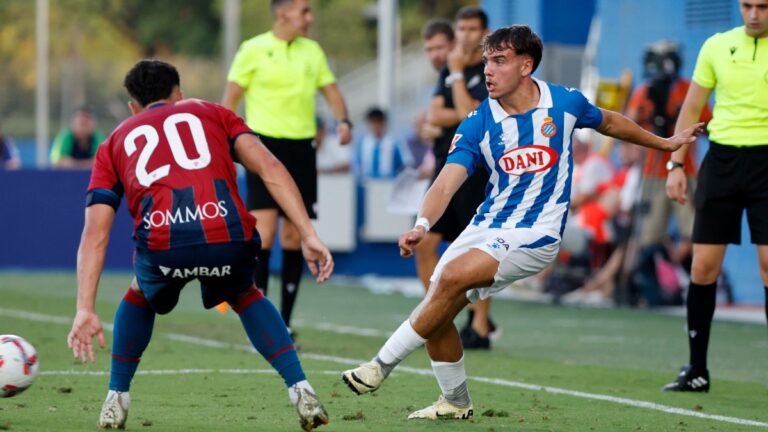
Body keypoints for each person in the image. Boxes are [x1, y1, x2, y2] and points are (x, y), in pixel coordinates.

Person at [341, 25, 702, 420]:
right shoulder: (479, 121)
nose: (489, 71)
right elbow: (446, 181)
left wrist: (664, 143)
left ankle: (378, 366)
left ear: (526, 65)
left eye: (499, 61)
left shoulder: (564, 103)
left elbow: (611, 122)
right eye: (486, 62)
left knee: (449, 280)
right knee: (438, 306)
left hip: (537, 233)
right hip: (488, 225)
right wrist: (423, 224)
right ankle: (455, 401)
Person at [66, 60, 333, 431]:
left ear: (133, 106)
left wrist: (85, 308)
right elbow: (270, 167)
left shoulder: (114, 141)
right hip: (226, 235)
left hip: (163, 245)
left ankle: (116, 398)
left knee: (141, 293)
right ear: (179, 94)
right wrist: (308, 233)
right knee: (244, 292)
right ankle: (300, 387)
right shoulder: (216, 114)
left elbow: (95, 233)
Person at [222, 0, 352, 336]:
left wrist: (343, 120)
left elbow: (332, 91)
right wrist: (222, 137)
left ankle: (285, 323)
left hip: (301, 148)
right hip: (261, 146)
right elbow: (231, 98)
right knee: (263, 231)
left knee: (296, 233)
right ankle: (260, 321)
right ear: (283, 13)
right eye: (303, 11)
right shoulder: (252, 49)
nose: (309, 17)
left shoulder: (312, 51)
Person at [663, 0, 768, 392]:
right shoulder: (717, 45)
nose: (754, 13)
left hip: (765, 164)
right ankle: (696, 370)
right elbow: (692, 107)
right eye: (747, 5)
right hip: (721, 163)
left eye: (763, 6)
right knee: (702, 268)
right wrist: (676, 166)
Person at [418, 6, 496, 350]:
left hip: (477, 173)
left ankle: (480, 326)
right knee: (425, 242)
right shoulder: (451, 69)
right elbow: (433, 112)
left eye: (471, 28)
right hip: (446, 170)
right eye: (461, 28)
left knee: (476, 252)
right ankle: (436, 316)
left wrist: (455, 76)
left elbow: (471, 113)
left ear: (484, 33)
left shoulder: (489, 69)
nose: (465, 35)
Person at [626, 41, 712, 306]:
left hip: (687, 170)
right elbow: (630, 126)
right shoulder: (645, 92)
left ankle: (699, 286)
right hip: (653, 172)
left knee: (694, 231)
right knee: (649, 234)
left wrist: (679, 121)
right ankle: (649, 291)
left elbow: (708, 126)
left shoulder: (688, 90)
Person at [354, 107, 412, 180]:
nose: (376, 126)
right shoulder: (362, 144)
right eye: (373, 122)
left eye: (379, 122)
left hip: (390, 185)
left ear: (384, 123)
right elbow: (357, 168)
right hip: (368, 186)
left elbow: (405, 165)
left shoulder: (395, 143)